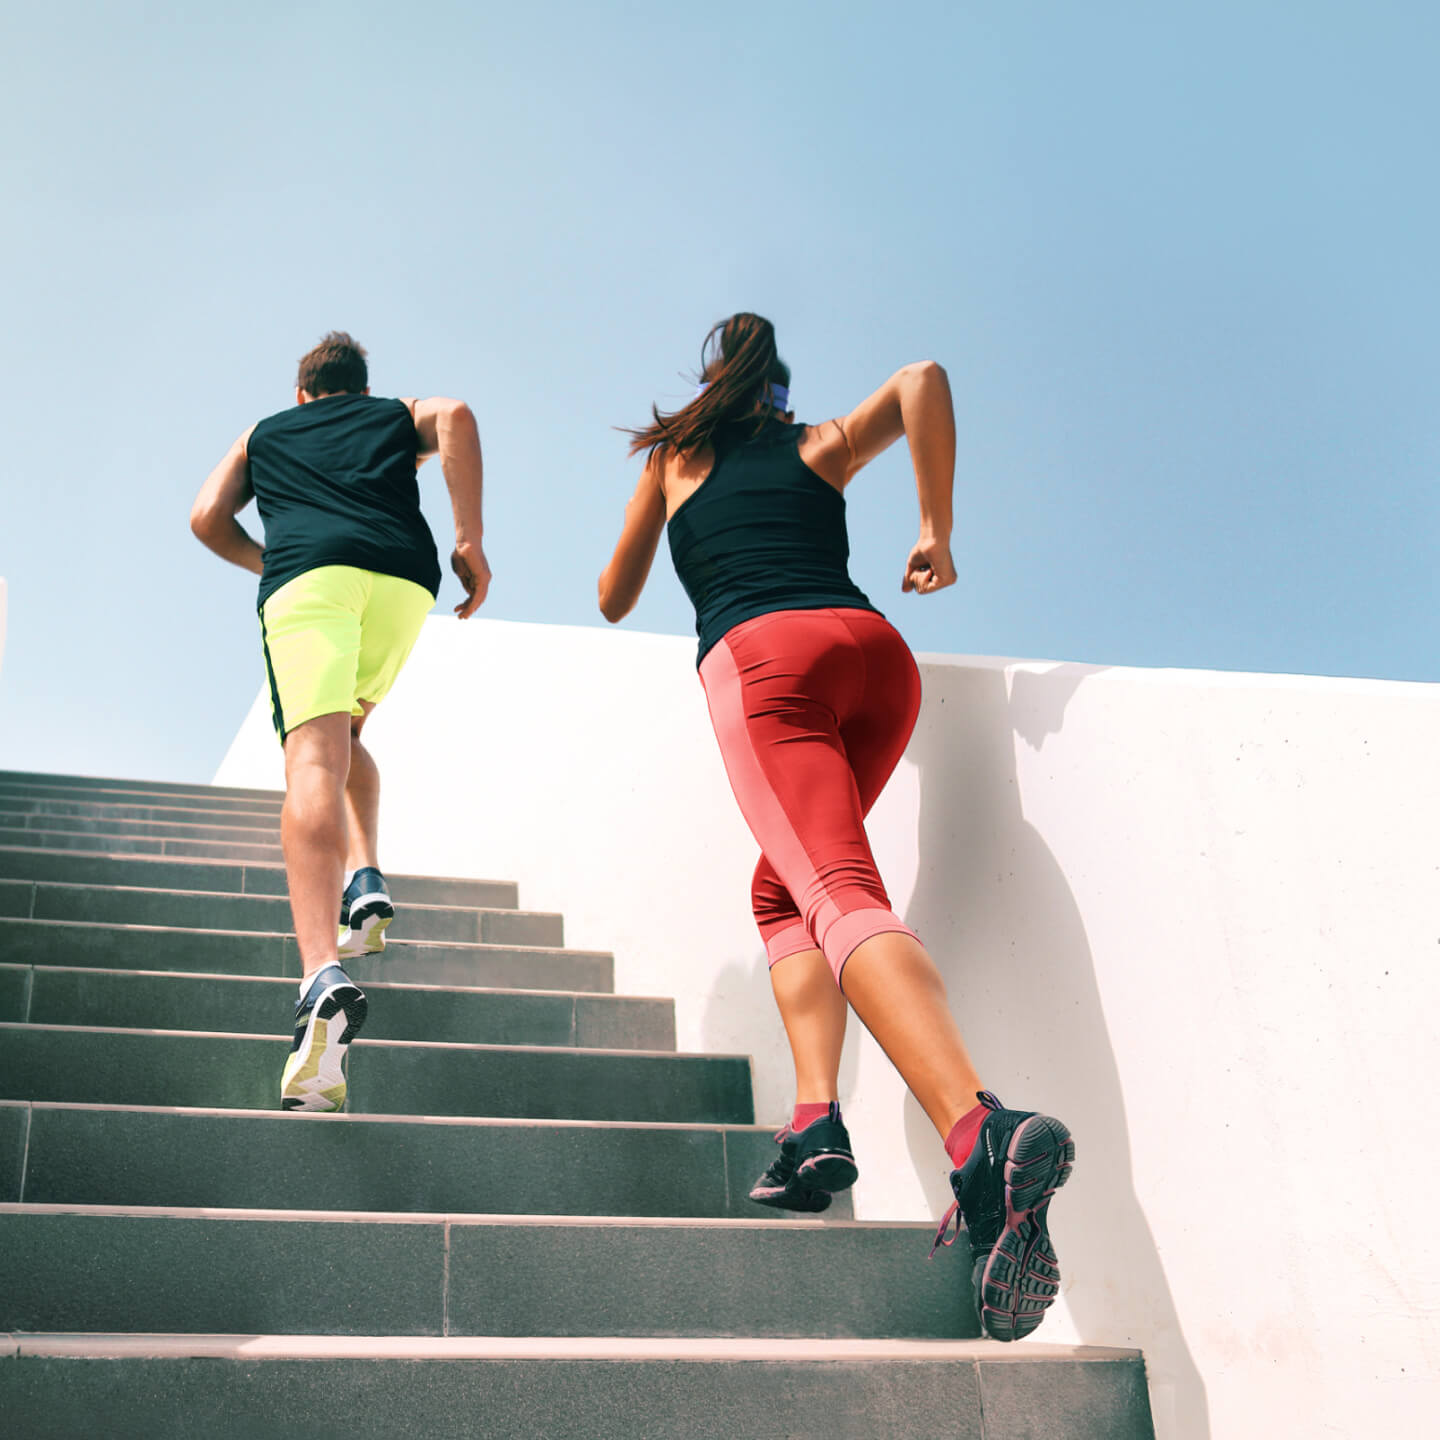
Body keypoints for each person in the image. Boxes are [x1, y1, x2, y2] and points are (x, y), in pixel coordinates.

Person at [597, 313, 1074, 1341]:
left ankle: (979, 1130)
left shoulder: (678, 454)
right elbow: (922, 377)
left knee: (834, 893)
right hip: (874, 654)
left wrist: (664, 500)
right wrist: (935, 528)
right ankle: (815, 1121)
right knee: (784, 888)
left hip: (766, 659)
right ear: (777, 393)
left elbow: (612, 595)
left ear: (713, 388)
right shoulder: (819, 445)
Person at [190, 331, 490, 1112]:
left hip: (311, 580)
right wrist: (470, 541)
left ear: (301, 393)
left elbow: (203, 517)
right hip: (401, 580)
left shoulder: (265, 431)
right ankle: (366, 875)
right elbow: (454, 411)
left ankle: (320, 969)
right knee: (350, 732)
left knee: (314, 758)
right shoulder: (391, 415)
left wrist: (279, 558)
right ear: (359, 388)